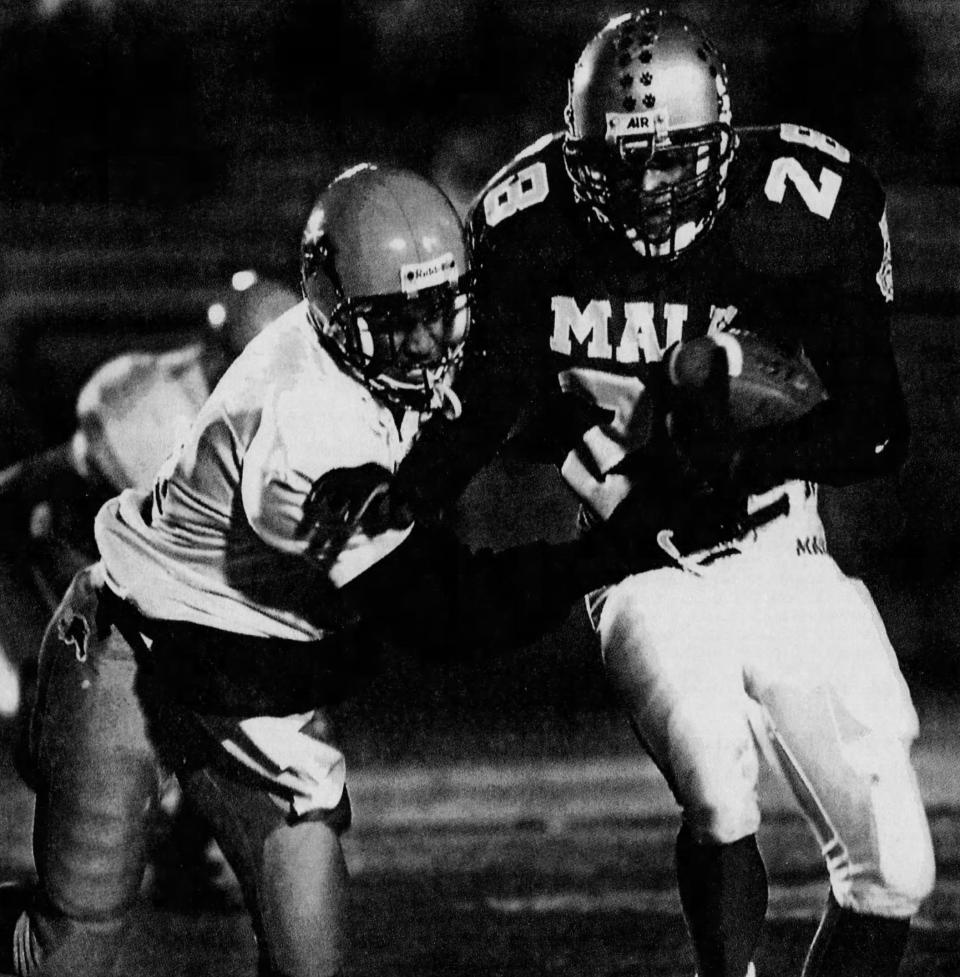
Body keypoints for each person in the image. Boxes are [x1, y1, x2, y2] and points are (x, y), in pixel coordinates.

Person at [0, 162, 699, 977]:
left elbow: (513, 404)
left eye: (441, 313)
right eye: (400, 323)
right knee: (69, 949)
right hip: (136, 653)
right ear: (334, 310)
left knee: (312, 965)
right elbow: (446, 614)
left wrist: (623, 462)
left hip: (258, 692)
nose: (429, 345)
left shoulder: (393, 343)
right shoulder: (309, 429)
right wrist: (608, 550)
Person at [368, 10, 935, 977]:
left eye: (672, 162)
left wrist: (739, 452)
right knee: (718, 786)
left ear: (720, 136)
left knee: (898, 870)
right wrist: (406, 491)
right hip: (644, 550)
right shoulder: (528, 219)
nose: (648, 187)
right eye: (623, 166)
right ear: (578, 152)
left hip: (782, 544)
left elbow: (878, 428)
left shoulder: (805, 203)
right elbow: (488, 409)